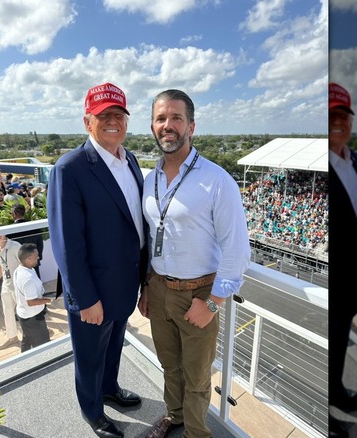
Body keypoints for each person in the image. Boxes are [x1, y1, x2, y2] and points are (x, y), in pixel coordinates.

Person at [137, 89, 250, 438]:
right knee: (170, 365)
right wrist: (146, 287)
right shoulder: (150, 178)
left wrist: (214, 302)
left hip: (198, 293)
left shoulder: (216, 180)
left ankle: (197, 433)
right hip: (157, 288)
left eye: (176, 118)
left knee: (198, 377)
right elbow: (151, 237)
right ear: (153, 126)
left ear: (191, 126)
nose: (167, 125)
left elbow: (237, 248)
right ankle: (175, 415)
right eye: (160, 118)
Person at [48, 82, 147, 438]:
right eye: (103, 115)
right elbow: (66, 244)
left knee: (115, 343)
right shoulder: (69, 169)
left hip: (125, 283)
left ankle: (109, 388)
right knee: (89, 357)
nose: (112, 121)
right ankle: (93, 412)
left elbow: (136, 223)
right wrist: (85, 298)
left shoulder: (130, 159)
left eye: (118, 115)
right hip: (93, 291)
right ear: (87, 121)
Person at [327, 82, 357, 437]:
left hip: (353, 282)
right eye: (330, 115)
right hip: (332, 282)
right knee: (329, 342)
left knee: (340, 341)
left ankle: (337, 391)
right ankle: (325, 416)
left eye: (343, 114)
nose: (337, 121)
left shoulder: (353, 159)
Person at [13, 243, 52, 351]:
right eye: (36, 255)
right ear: (29, 258)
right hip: (33, 319)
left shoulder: (21, 269)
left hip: (25, 316)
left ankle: (22, 363)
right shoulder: (27, 279)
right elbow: (31, 302)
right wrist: (50, 300)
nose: (38, 257)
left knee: (27, 341)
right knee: (43, 347)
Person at [7, 203, 44, 278]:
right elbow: (40, 244)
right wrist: (38, 256)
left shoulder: (10, 230)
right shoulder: (34, 226)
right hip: (34, 259)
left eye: (11, 213)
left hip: (19, 263)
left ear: (14, 214)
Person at [0, 234, 21, 343]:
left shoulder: (16, 246)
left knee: (26, 310)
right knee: (7, 311)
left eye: (0, 233)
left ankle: (42, 330)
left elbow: (25, 263)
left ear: (5, 234)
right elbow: (1, 267)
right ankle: (12, 337)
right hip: (6, 285)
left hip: (18, 285)